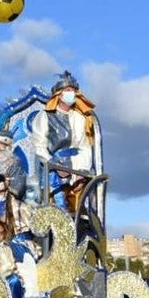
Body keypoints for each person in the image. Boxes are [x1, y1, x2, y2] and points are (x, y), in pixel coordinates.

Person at [29, 71, 99, 213]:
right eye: (68, 91)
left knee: (80, 208)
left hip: (76, 167)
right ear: (59, 94)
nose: (71, 94)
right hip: (53, 169)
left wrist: (81, 172)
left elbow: (84, 146)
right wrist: (56, 165)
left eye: (73, 91)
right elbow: (39, 146)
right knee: (55, 210)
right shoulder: (45, 116)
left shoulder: (80, 118)